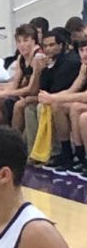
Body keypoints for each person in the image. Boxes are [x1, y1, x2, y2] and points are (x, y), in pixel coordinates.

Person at [37, 38, 87, 175]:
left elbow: (84, 96)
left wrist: (53, 97)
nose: (85, 54)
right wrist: (52, 97)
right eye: (82, 50)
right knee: (57, 106)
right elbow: (73, 89)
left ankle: (82, 155)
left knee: (79, 111)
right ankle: (68, 153)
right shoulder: (84, 66)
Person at [0, 23, 45, 131]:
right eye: (19, 41)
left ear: (34, 40)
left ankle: (14, 137)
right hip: (25, 92)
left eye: (26, 40)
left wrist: (4, 93)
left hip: (39, 93)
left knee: (18, 105)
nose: (22, 45)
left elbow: (31, 89)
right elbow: (15, 83)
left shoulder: (38, 57)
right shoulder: (21, 58)